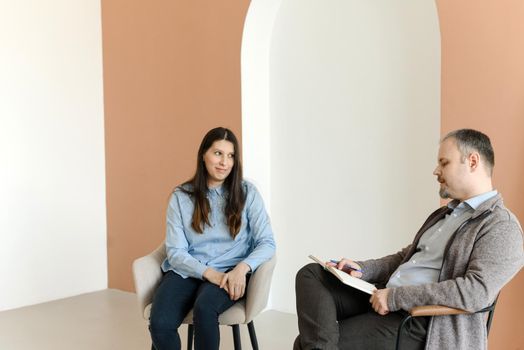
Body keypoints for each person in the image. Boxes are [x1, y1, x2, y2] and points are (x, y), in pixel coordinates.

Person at [294, 129, 523, 350]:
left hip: (423, 322)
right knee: (311, 274)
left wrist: (396, 298)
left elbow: (475, 292)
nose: (436, 170)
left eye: (444, 163)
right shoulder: (446, 214)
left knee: (304, 343)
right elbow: (406, 258)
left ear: (473, 162)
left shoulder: (501, 226)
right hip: (384, 295)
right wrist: (362, 269)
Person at [149, 127, 276, 350]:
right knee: (160, 323)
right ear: (203, 155)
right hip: (188, 271)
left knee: (205, 309)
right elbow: (176, 252)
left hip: (230, 272)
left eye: (230, 156)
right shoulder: (181, 197)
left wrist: (242, 268)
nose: (224, 162)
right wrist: (209, 274)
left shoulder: (248, 193)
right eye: (218, 153)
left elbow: (267, 242)